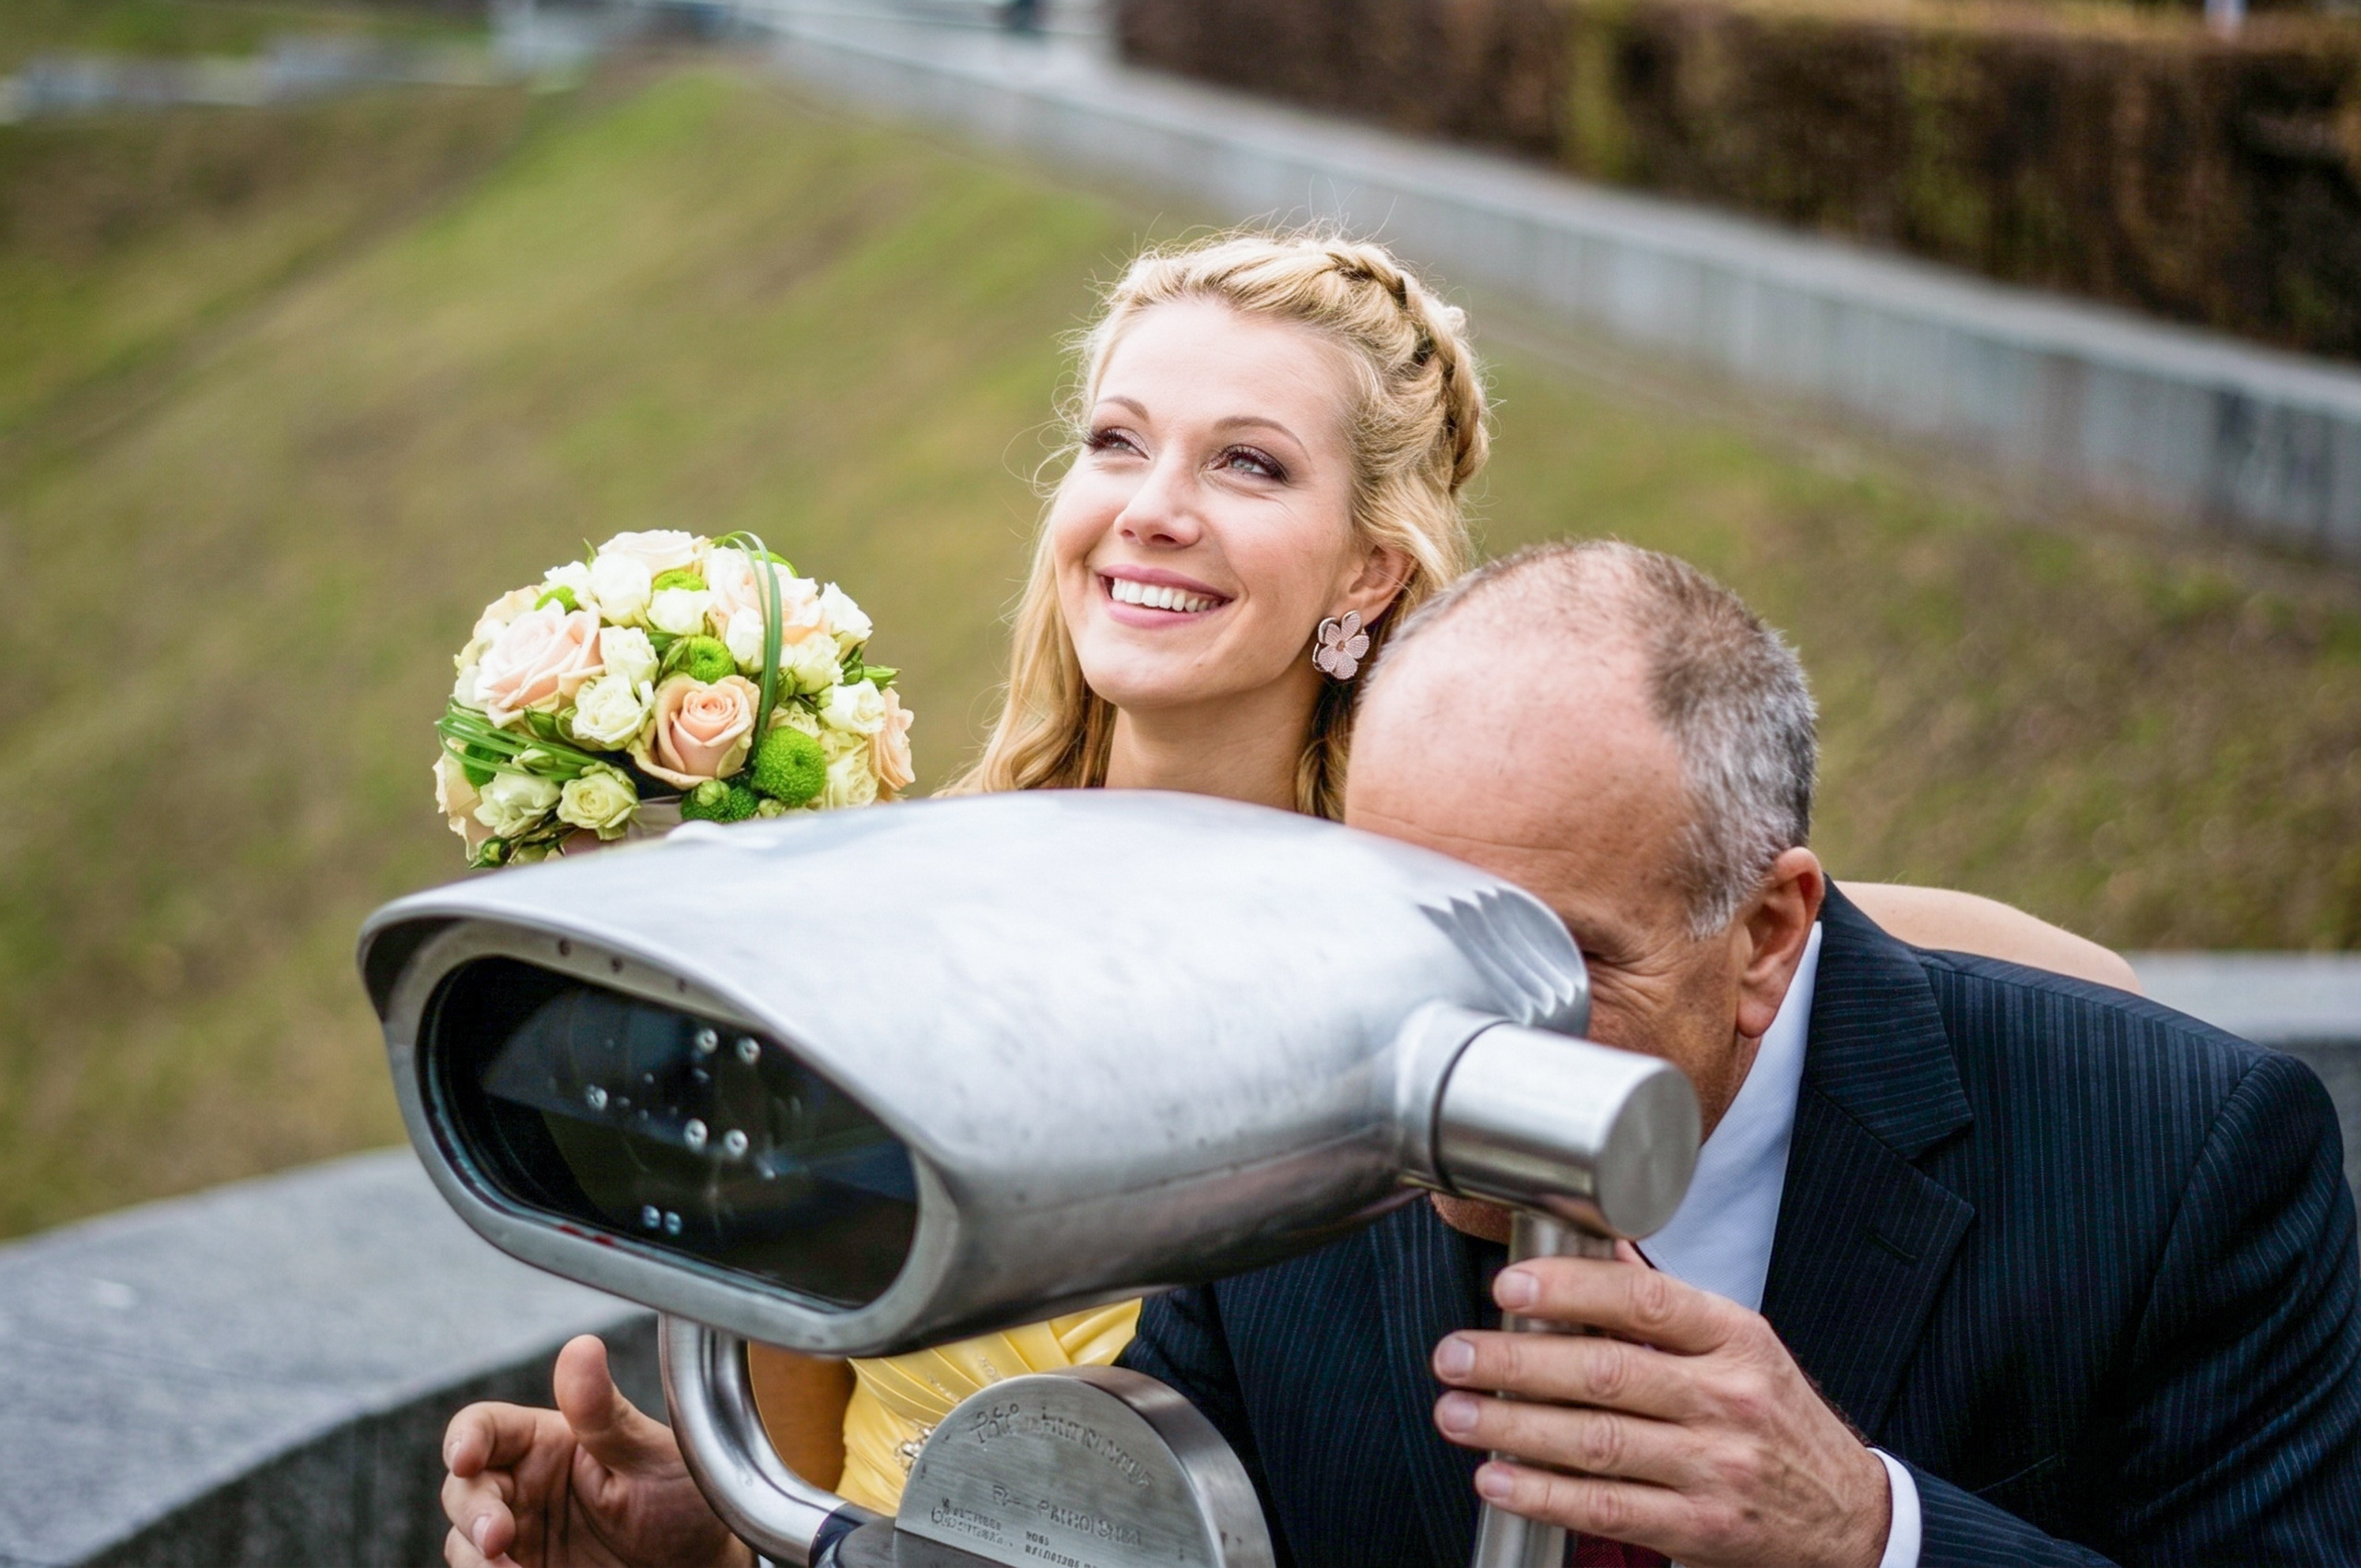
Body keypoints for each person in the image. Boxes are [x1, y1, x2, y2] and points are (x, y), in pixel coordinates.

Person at [433, 233, 2139, 1568]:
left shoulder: (1468, 940)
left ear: (1372, 566)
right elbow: (800, 1464)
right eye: (1116, 441)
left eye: (1247, 464)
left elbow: (1868, 972)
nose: (1152, 510)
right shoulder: (894, 907)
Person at [1121, 539, 2361, 1566]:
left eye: (1563, 964)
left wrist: (1870, 1532)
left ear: (1767, 933)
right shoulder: (1288, 1128)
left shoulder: (2184, 1157)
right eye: (1405, 937)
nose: (1452, 1045)